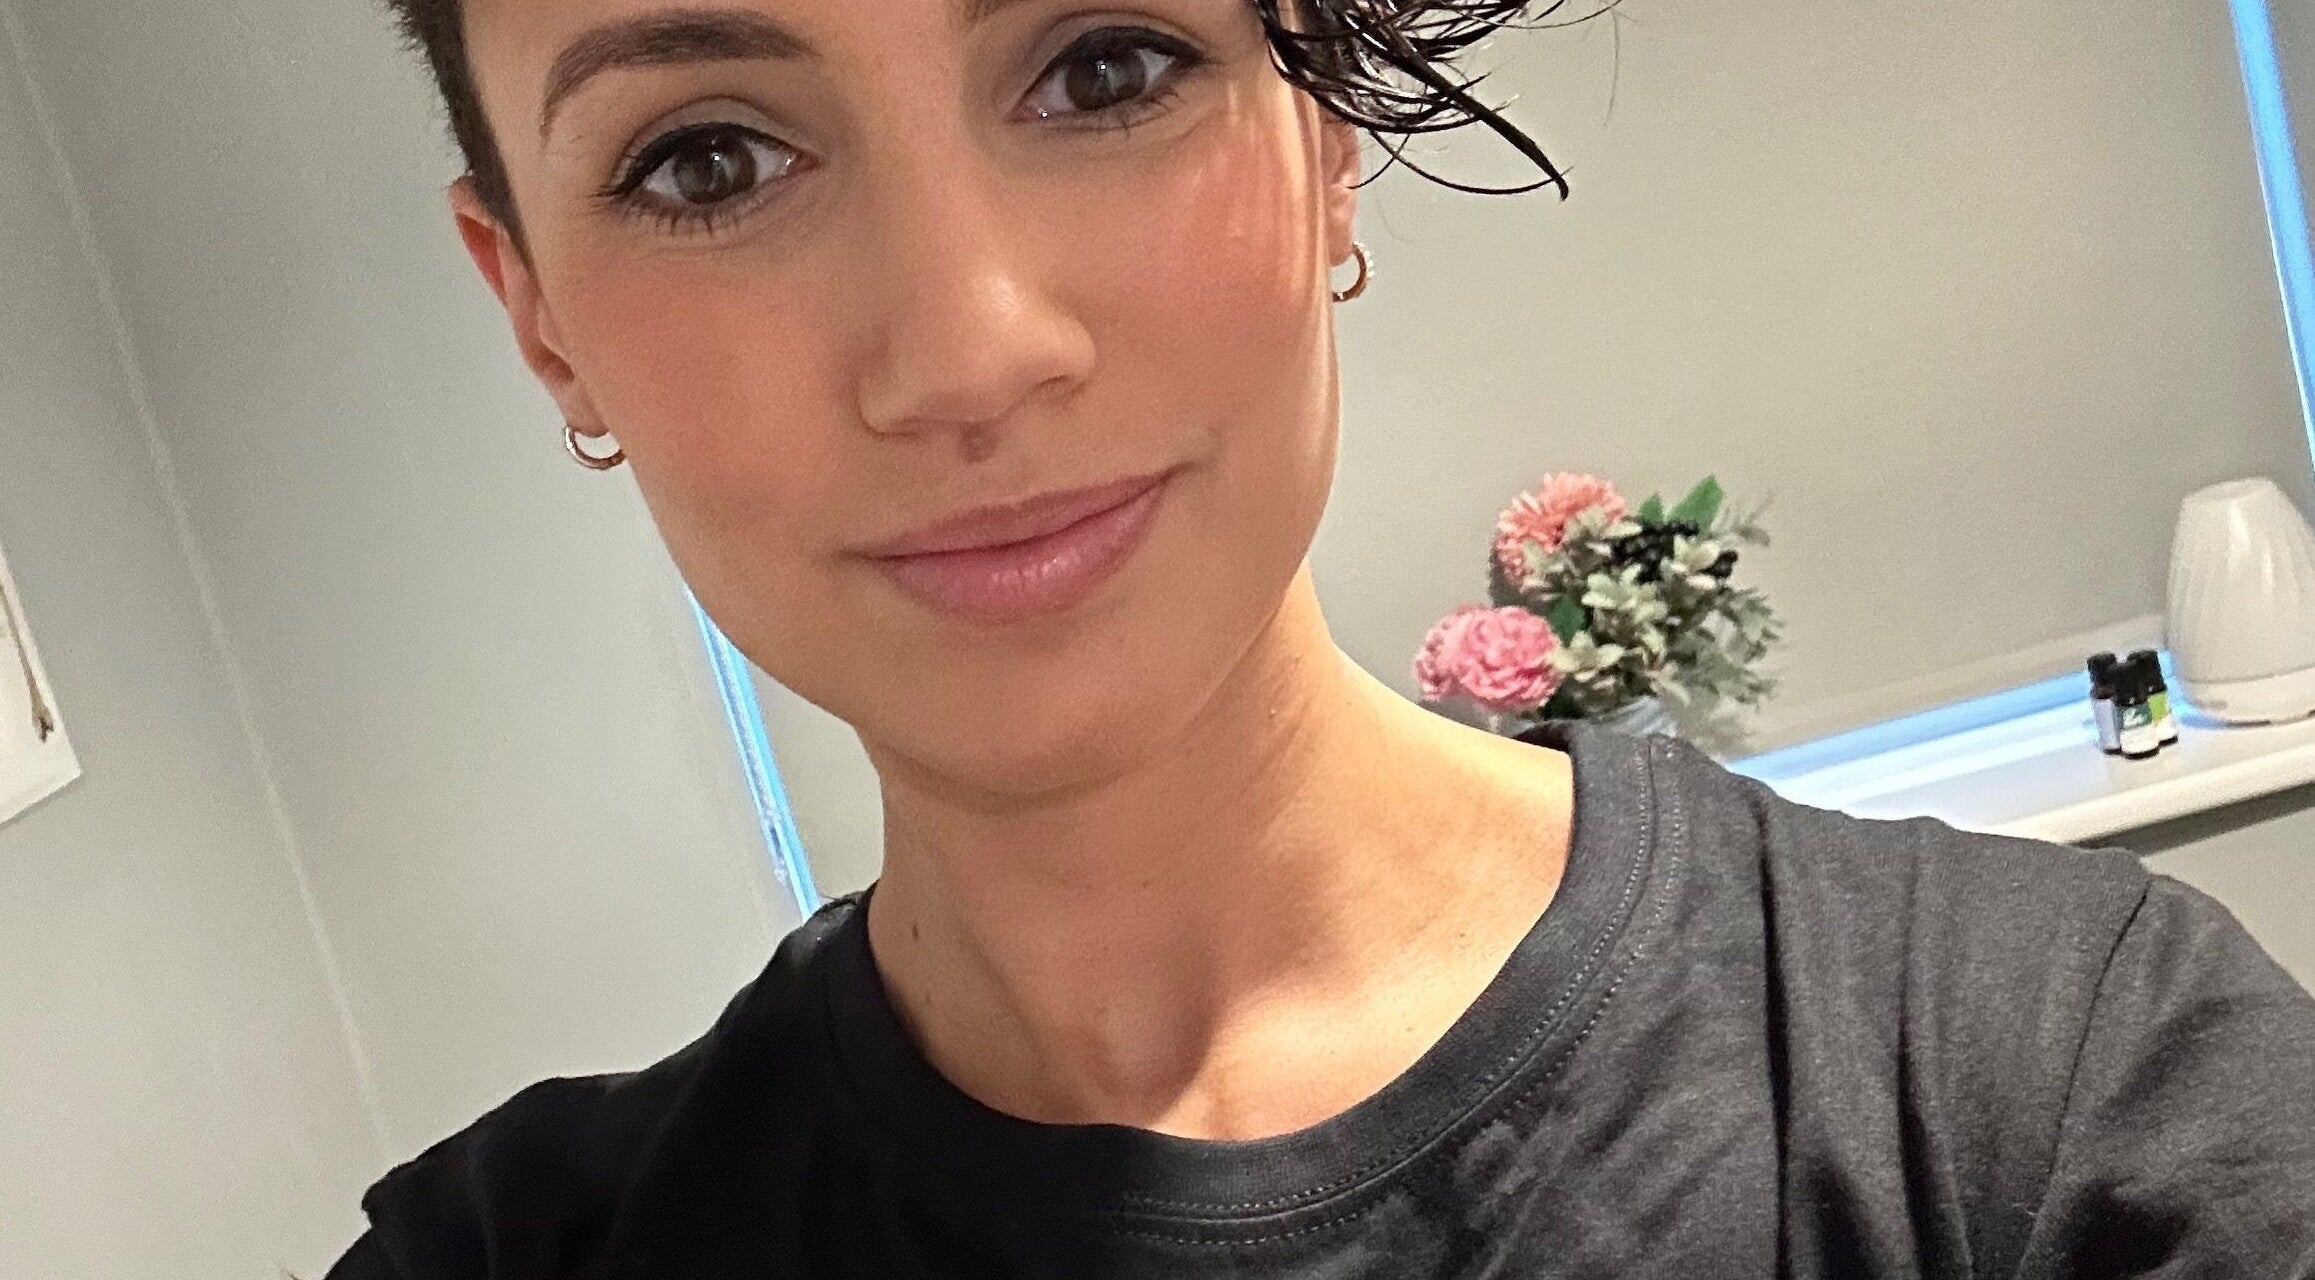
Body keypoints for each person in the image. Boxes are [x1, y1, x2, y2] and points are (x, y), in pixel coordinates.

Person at [327, 0, 2315, 1275]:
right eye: (707, 158)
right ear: (537, 313)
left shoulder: (2047, 1098)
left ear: (1334, 125)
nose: (971, 347)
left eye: (1106, 64)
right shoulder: (512, 1259)